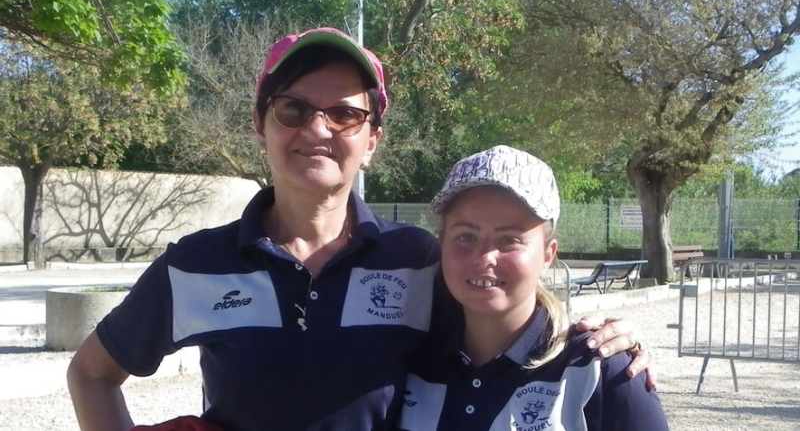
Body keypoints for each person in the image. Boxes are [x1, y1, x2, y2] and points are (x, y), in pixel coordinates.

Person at [67, 27, 653, 431]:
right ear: (260, 124)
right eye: (293, 108)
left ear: (371, 140)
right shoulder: (197, 263)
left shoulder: (420, 257)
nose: (317, 129)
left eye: (345, 113)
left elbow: (501, 324)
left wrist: (603, 340)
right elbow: (92, 374)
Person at [399, 145, 669, 430]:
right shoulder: (407, 360)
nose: (485, 257)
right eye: (465, 236)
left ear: (547, 255)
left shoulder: (601, 370)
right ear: (442, 244)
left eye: (509, 240)